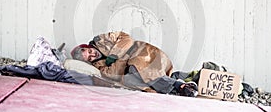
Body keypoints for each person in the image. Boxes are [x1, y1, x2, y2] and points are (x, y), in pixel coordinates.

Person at [70, 31, 198, 97]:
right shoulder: (98, 66)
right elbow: (114, 74)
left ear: (88, 47)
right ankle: (178, 84)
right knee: (130, 76)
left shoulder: (102, 39)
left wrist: (114, 56)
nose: (93, 55)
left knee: (136, 65)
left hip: (145, 54)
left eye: (90, 52)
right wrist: (122, 59)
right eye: (90, 58)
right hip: (135, 70)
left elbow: (126, 39)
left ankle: (176, 86)